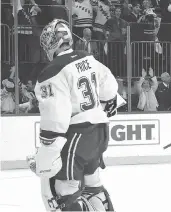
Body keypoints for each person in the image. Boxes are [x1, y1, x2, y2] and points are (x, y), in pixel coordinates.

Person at [27, 19, 119, 211]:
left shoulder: (51, 72)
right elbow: (110, 89)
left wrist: (46, 155)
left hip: (77, 134)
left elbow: (56, 116)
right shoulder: (87, 57)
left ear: (51, 42)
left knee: (65, 189)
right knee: (93, 183)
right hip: (100, 131)